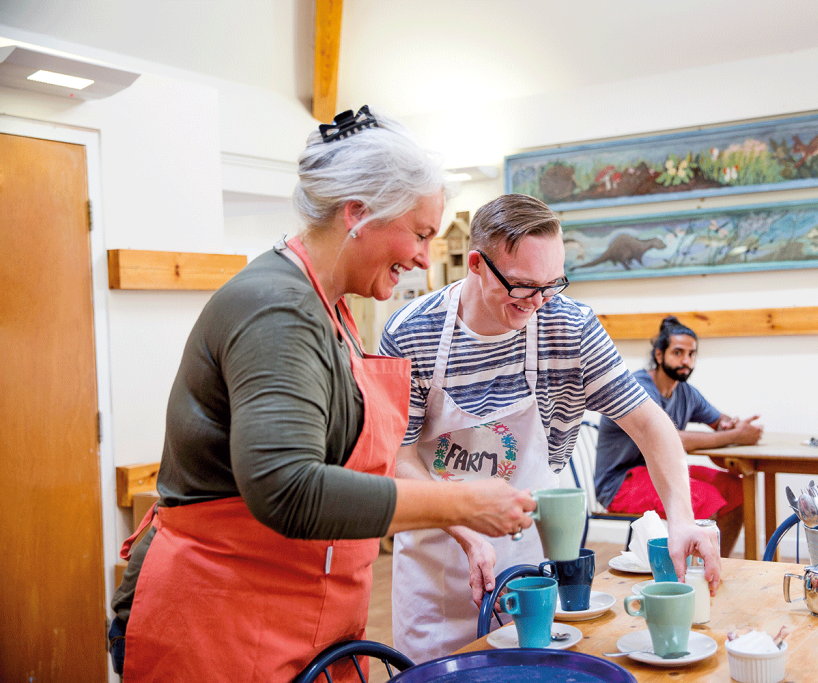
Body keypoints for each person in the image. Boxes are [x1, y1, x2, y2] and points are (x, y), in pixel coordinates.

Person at [107, 107, 535, 682]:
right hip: (221, 618)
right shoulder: (277, 310)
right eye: (420, 233)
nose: (423, 259)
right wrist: (463, 504)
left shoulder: (330, 308)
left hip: (301, 615)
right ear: (356, 214)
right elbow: (287, 489)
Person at [379, 193, 721, 663]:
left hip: (527, 555)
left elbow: (650, 426)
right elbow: (397, 455)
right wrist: (462, 525)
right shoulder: (412, 332)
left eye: (552, 284)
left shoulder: (570, 326)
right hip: (438, 554)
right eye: (522, 286)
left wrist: (681, 518)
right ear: (476, 265)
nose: (538, 303)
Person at [593, 316, 762, 557]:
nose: (686, 360)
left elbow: (720, 422)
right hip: (620, 482)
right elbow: (670, 438)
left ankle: (716, 564)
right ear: (659, 355)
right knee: (706, 498)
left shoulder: (685, 392)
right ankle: (694, 579)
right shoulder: (637, 386)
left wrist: (734, 426)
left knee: (736, 489)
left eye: (691, 354)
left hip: (660, 470)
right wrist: (736, 435)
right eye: (678, 352)